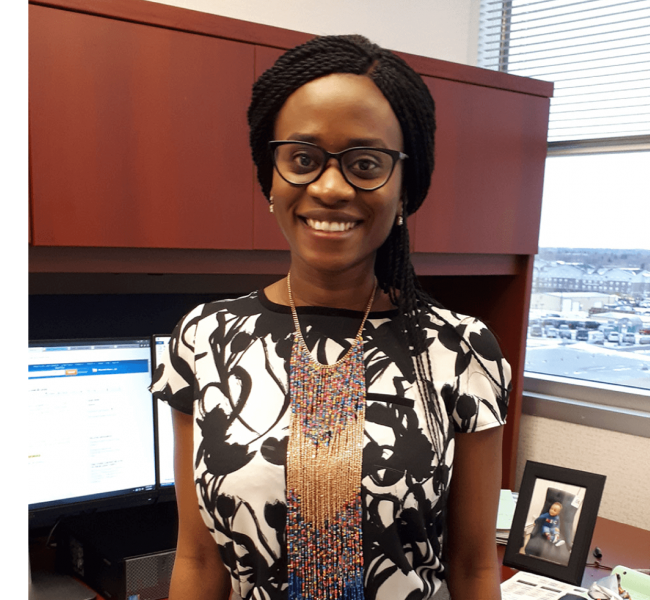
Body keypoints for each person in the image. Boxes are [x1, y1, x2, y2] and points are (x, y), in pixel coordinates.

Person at [151, 34, 511, 600]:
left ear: (404, 191)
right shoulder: (204, 340)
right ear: (268, 176)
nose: (329, 187)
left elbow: (473, 569)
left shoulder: (463, 350)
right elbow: (199, 559)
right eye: (302, 158)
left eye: (366, 164)